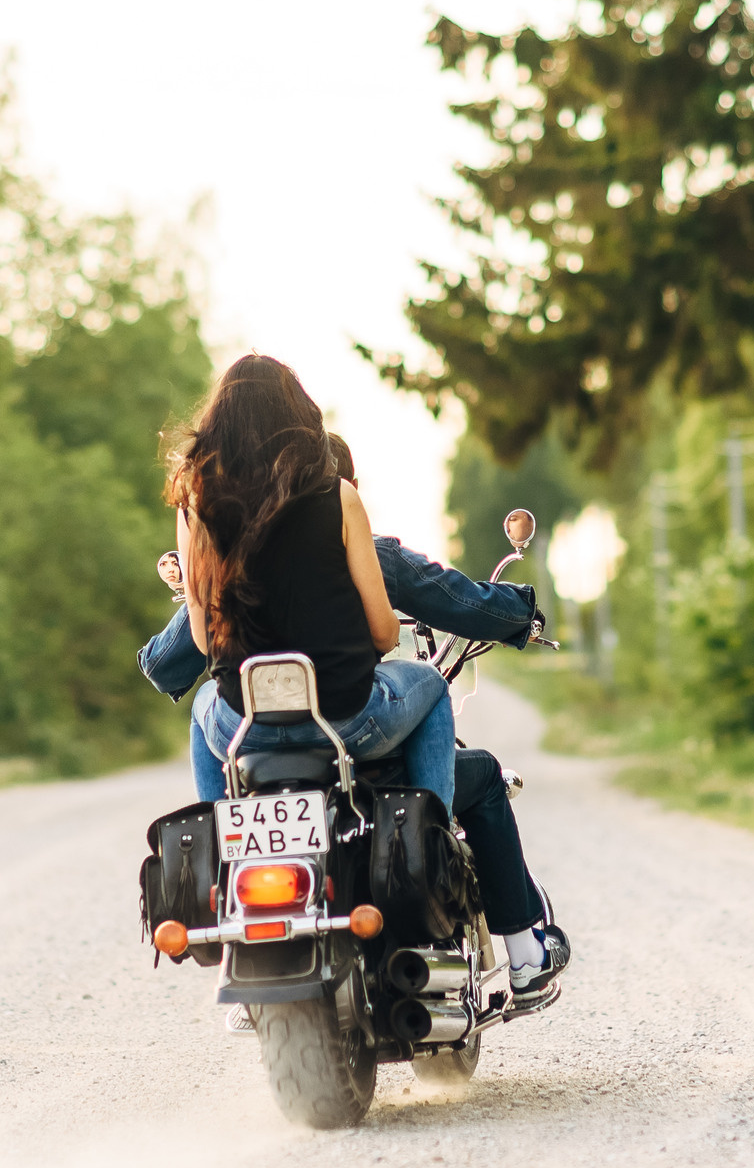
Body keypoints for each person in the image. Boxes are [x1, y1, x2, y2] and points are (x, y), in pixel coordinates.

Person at [140, 431, 567, 990]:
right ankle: (441, 869)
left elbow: (167, 663)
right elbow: (457, 600)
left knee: (204, 703)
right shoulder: (355, 538)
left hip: (256, 741)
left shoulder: (238, 559)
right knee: (462, 742)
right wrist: (521, 616)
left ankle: (225, 857)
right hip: (351, 729)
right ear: (344, 488)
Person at [167, 355, 455, 812]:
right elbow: (384, 633)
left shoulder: (196, 508)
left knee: (205, 700)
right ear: (300, 421)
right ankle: (429, 838)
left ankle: (225, 841)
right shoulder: (339, 497)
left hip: (243, 726)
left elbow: (203, 640)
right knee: (432, 686)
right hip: (344, 721)